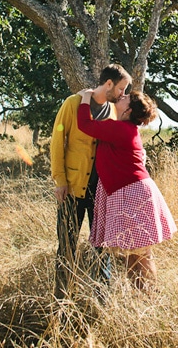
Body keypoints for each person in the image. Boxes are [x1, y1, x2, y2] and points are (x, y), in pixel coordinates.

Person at [76, 88, 176, 291]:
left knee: (140, 254)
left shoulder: (120, 129)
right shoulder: (124, 128)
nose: (121, 96)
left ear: (128, 110)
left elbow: (84, 124)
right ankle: (143, 298)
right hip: (132, 192)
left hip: (132, 194)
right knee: (135, 254)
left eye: (126, 97)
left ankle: (149, 297)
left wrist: (85, 98)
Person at [50, 63, 132, 299]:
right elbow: (57, 142)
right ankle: (62, 298)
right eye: (121, 89)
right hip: (72, 188)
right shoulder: (73, 103)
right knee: (66, 246)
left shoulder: (112, 111)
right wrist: (60, 180)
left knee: (102, 248)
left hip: (101, 193)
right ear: (109, 84)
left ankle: (101, 300)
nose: (122, 95)